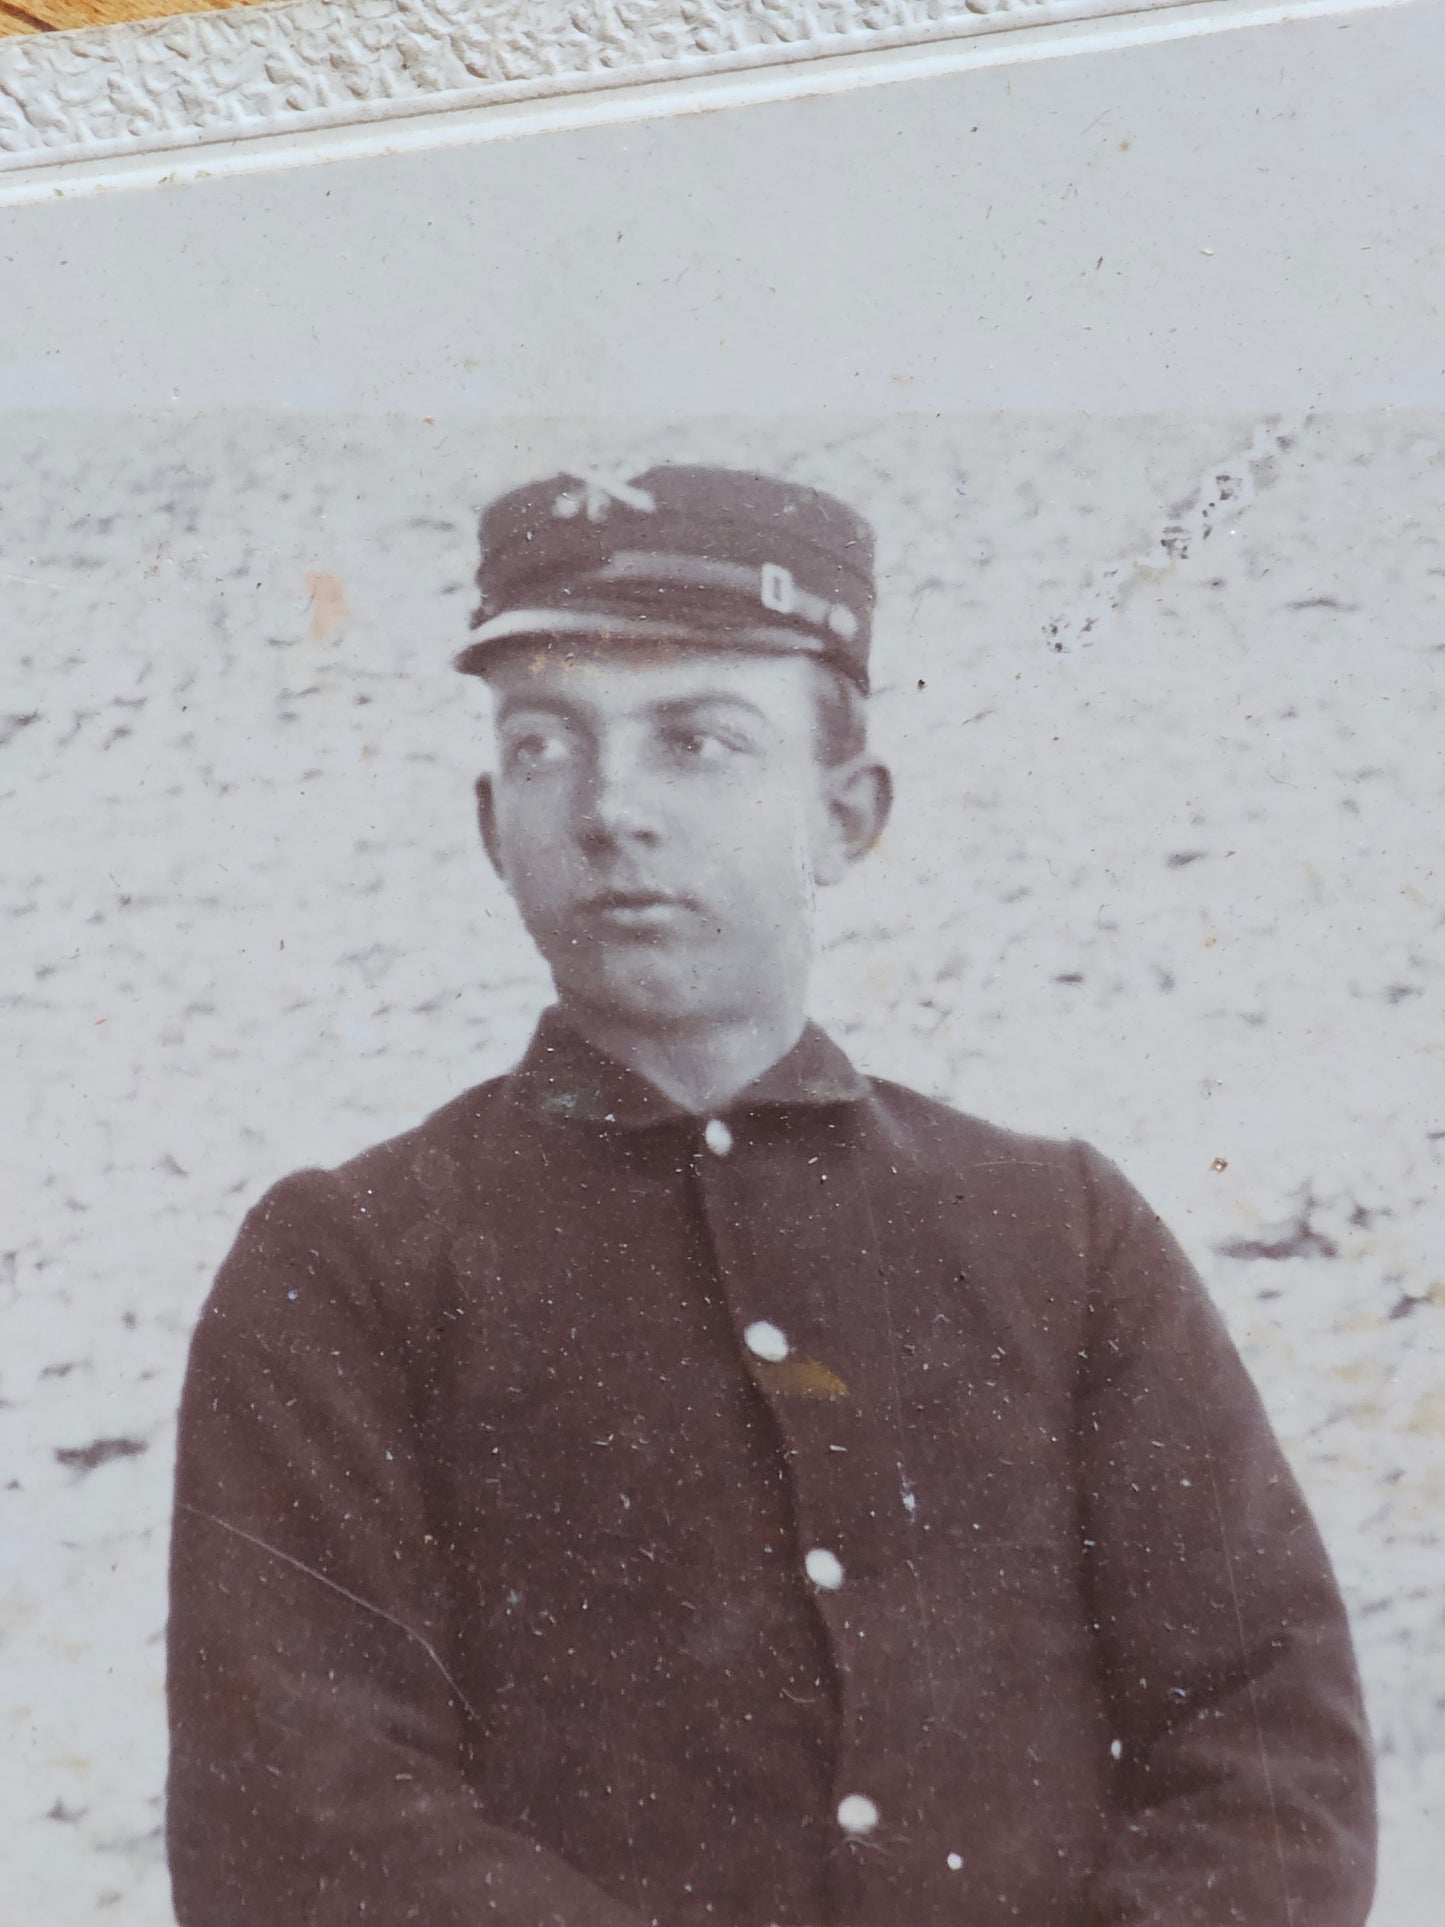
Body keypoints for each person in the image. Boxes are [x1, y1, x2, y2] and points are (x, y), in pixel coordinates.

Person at [166, 463, 1376, 1927]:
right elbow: (303, 1811)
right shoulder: (349, 1260)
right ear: (492, 825)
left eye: (697, 742)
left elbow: (1265, 1741)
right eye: (548, 746)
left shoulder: (1058, 1233)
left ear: (846, 814)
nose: (612, 809)